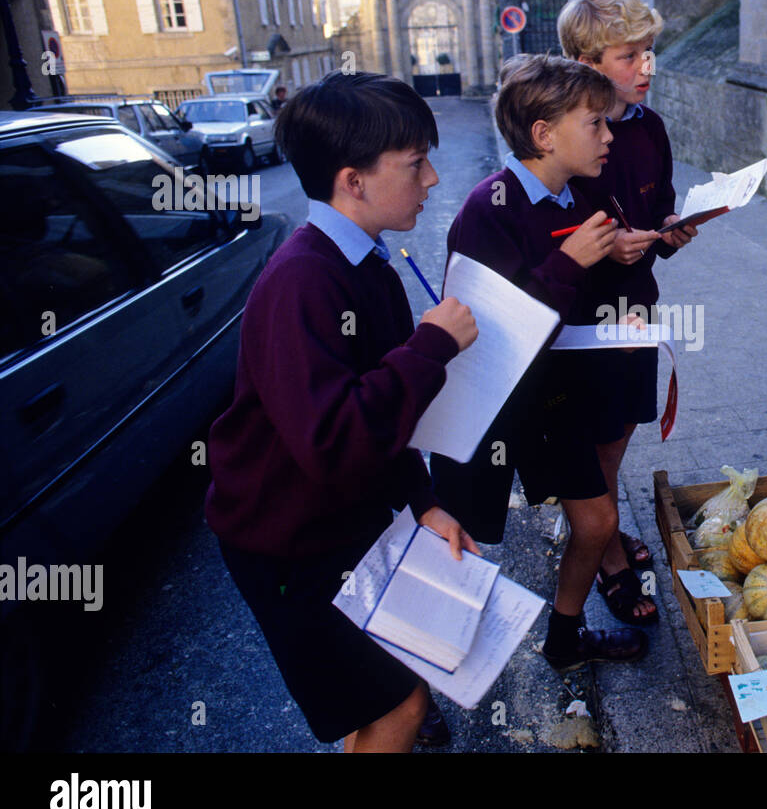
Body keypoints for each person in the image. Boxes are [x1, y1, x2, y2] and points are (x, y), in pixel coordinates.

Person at [205, 71, 480, 752]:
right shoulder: (303, 279)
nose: (434, 179)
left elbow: (386, 416)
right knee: (398, 703)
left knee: (393, 696)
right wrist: (432, 346)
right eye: (415, 164)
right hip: (287, 545)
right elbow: (334, 439)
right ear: (353, 180)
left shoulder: (366, 265)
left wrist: (423, 501)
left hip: (340, 526)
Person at [429, 54, 653, 669]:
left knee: (599, 519)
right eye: (596, 124)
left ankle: (564, 638)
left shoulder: (576, 194)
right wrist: (571, 262)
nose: (609, 136)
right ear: (544, 134)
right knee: (458, 535)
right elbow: (490, 326)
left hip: (553, 397)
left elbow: (582, 297)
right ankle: (416, 675)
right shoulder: (489, 208)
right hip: (490, 407)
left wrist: (619, 319)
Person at [557, 0, 699, 619]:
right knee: (592, 439)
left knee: (618, 435)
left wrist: (674, 227)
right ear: (588, 63)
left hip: (636, 308)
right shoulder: (562, 134)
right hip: (582, 316)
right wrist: (602, 249)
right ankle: (605, 555)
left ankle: (603, 529)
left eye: (650, 52)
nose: (647, 67)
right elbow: (542, 228)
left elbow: (655, 207)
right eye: (630, 56)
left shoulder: (650, 127)